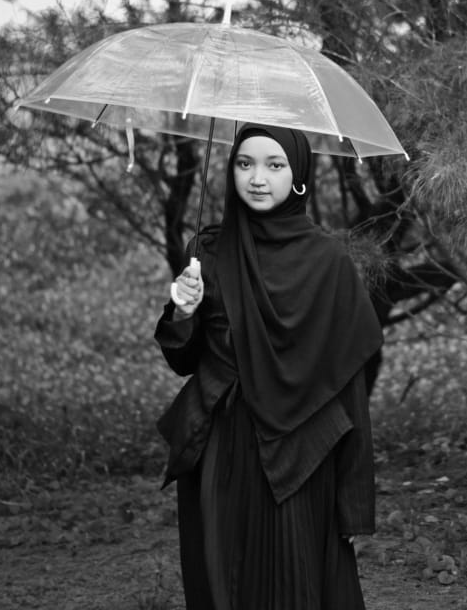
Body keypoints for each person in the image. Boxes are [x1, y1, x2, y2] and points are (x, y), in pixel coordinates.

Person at [154, 123, 381, 610]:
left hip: (303, 450)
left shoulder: (329, 262)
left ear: (297, 175)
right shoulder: (207, 252)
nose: (257, 178)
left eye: (275, 165)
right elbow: (183, 361)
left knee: (294, 582)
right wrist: (184, 311)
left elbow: (349, 386)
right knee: (222, 580)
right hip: (223, 443)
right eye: (245, 163)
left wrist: (353, 501)